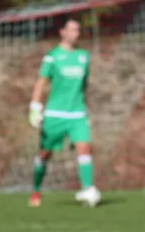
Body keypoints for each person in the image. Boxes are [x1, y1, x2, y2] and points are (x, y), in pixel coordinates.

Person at [27, 16, 101, 207]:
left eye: (78, 30)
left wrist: (87, 108)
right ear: (62, 32)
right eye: (72, 29)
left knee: (84, 148)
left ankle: (87, 189)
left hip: (77, 114)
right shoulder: (52, 57)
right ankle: (36, 190)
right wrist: (35, 107)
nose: (76, 33)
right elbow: (41, 82)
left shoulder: (83, 57)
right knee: (44, 154)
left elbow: (83, 86)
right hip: (54, 114)